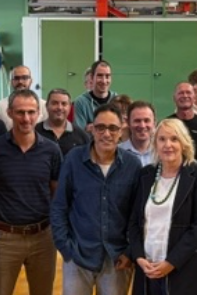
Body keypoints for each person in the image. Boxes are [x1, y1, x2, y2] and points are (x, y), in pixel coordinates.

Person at [52, 104, 142, 295]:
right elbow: (59, 205)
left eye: (113, 128)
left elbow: (137, 214)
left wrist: (129, 252)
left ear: (121, 131)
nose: (106, 134)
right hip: (78, 254)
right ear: (91, 129)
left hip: (117, 259)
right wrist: (65, 248)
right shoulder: (74, 159)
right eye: (101, 127)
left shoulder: (132, 165)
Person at [0, 90, 63, 295]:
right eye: (20, 112)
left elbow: (57, 193)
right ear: (9, 112)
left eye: (31, 112)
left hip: (43, 238)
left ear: (38, 114)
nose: (26, 118)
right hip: (4, 238)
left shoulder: (51, 151)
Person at [127, 119, 197, 295]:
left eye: (174, 139)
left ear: (184, 143)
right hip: (147, 267)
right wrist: (139, 257)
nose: (168, 145)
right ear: (155, 143)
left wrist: (171, 262)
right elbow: (134, 221)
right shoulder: (146, 174)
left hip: (182, 268)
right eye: (162, 139)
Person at [38, 88, 92, 156]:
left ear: (70, 107)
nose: (59, 107)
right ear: (47, 106)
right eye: (55, 103)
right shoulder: (35, 133)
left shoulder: (82, 137)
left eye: (64, 104)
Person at [72, 60, 118, 130]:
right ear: (92, 77)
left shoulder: (117, 100)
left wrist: (92, 127)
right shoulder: (80, 102)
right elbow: (79, 134)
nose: (104, 81)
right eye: (100, 75)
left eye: (107, 76)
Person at [168, 81, 197, 146]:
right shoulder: (166, 125)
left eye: (188, 92)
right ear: (174, 98)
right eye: (181, 93)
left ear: (194, 98)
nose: (185, 96)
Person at [122, 101, 158, 167]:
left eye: (147, 120)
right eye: (137, 121)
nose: (142, 125)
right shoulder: (116, 153)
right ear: (128, 123)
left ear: (154, 123)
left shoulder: (161, 153)